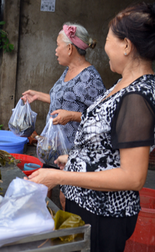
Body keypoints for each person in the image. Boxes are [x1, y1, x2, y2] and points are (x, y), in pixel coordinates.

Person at [28, 3, 155, 251]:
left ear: (127, 46)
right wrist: (74, 158)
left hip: (103, 213)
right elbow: (106, 144)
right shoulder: (122, 85)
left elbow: (133, 177)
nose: (103, 47)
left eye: (108, 40)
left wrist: (58, 176)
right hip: (85, 203)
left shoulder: (138, 96)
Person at [22, 22, 107, 208]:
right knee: (44, 187)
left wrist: (72, 116)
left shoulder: (90, 78)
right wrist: (39, 95)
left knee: (66, 198)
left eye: (57, 45)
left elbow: (103, 118)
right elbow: (62, 99)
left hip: (74, 152)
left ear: (69, 48)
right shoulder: (68, 70)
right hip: (55, 146)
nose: (55, 50)